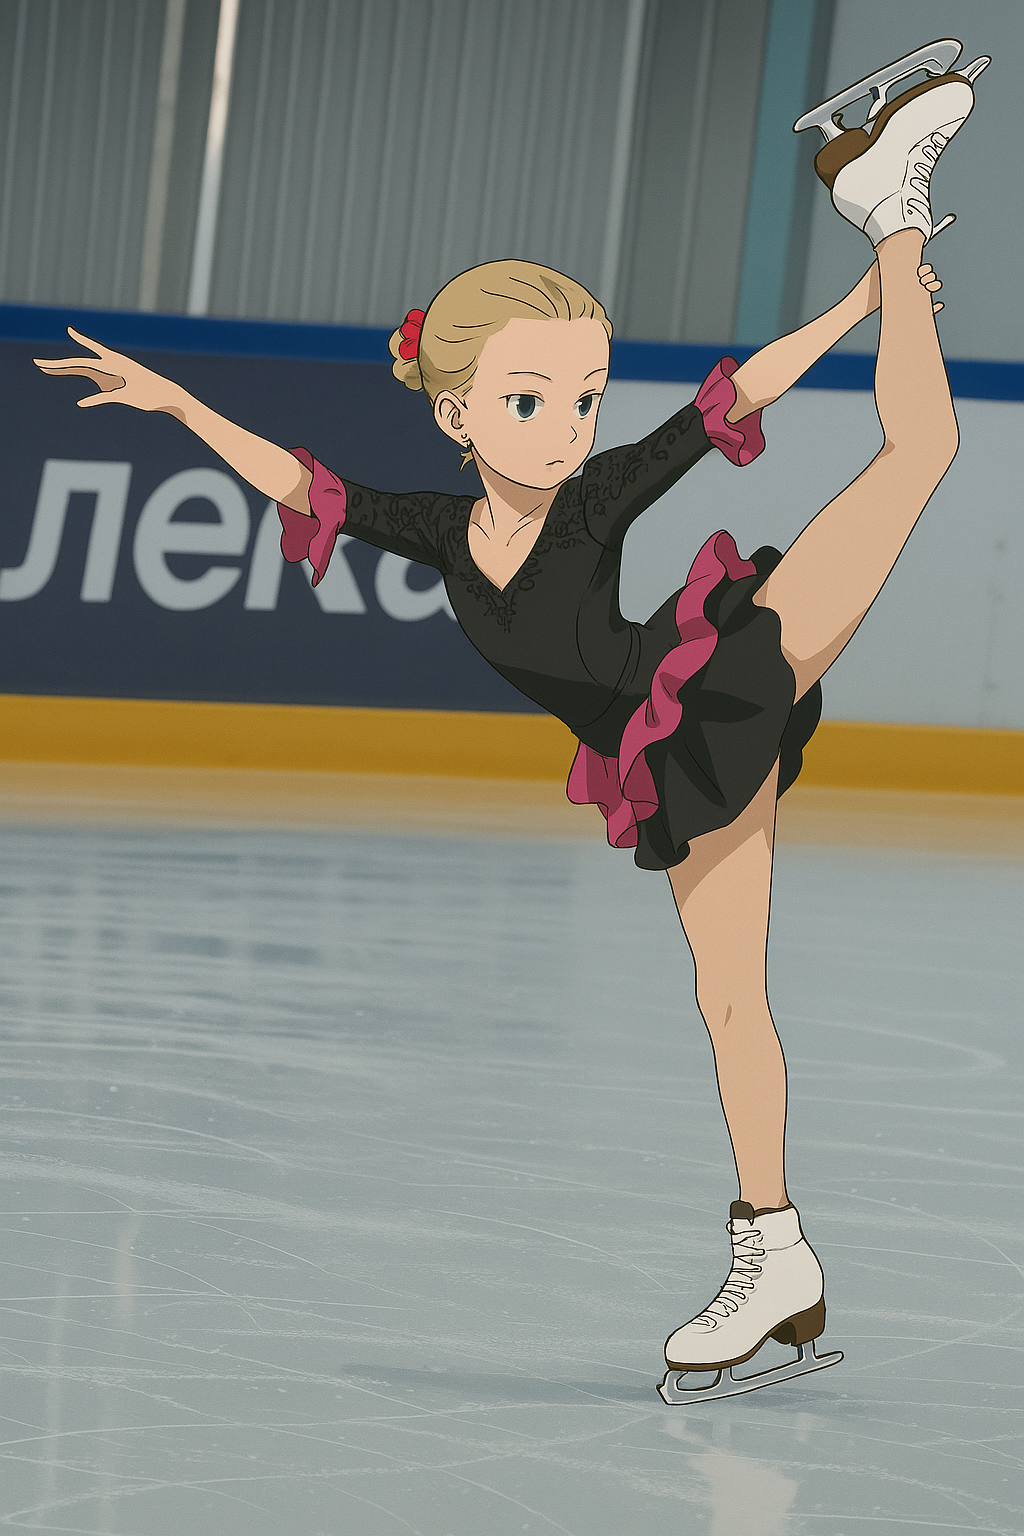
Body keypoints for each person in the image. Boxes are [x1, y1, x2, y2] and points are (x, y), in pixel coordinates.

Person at [35, 58, 978, 1400]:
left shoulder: (593, 502)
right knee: (730, 1001)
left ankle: (889, 204)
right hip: (670, 759)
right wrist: (183, 406)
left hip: (723, 674)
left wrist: (864, 300)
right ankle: (776, 1254)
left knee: (918, 455)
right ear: (458, 411)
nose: (565, 429)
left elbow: (731, 402)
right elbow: (305, 483)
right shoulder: (436, 529)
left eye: (583, 399)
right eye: (532, 402)